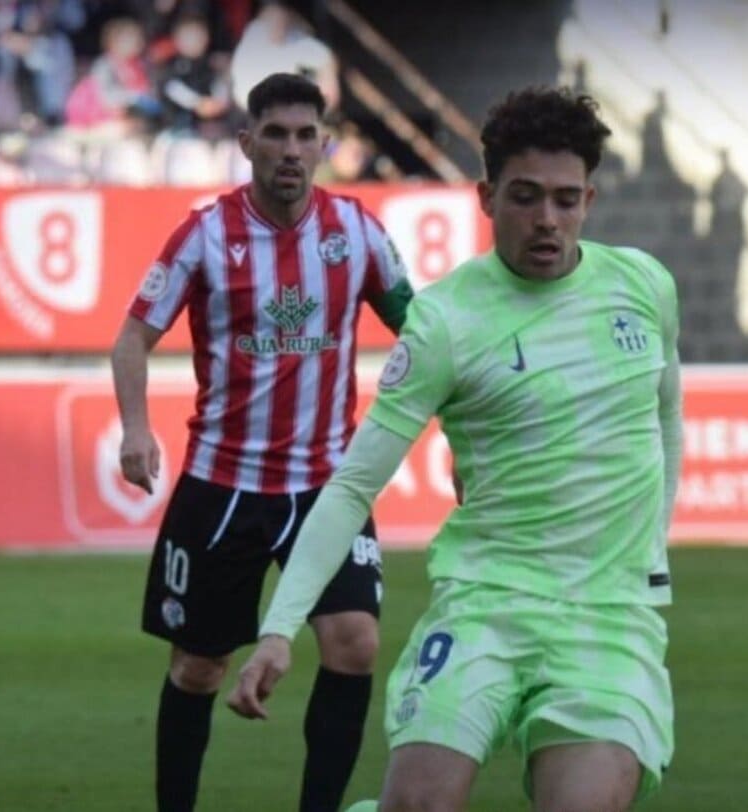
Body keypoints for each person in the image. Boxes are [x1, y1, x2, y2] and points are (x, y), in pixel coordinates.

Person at [226, 86, 683, 812]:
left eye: (566, 200)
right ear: (486, 196)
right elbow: (350, 487)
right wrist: (280, 629)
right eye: (525, 197)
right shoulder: (445, 321)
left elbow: (663, 418)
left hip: (608, 621)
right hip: (485, 607)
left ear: (590, 199)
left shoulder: (643, 286)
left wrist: (652, 548)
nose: (547, 221)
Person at [110, 72, 413, 812]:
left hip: (326, 486)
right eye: (275, 134)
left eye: (306, 135)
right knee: (200, 669)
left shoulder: (359, 232)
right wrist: (136, 428)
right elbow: (131, 340)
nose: (291, 150)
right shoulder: (206, 234)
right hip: (225, 484)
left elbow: (425, 335)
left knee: (355, 644)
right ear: (247, 144)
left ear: (325, 145)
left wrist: (470, 432)